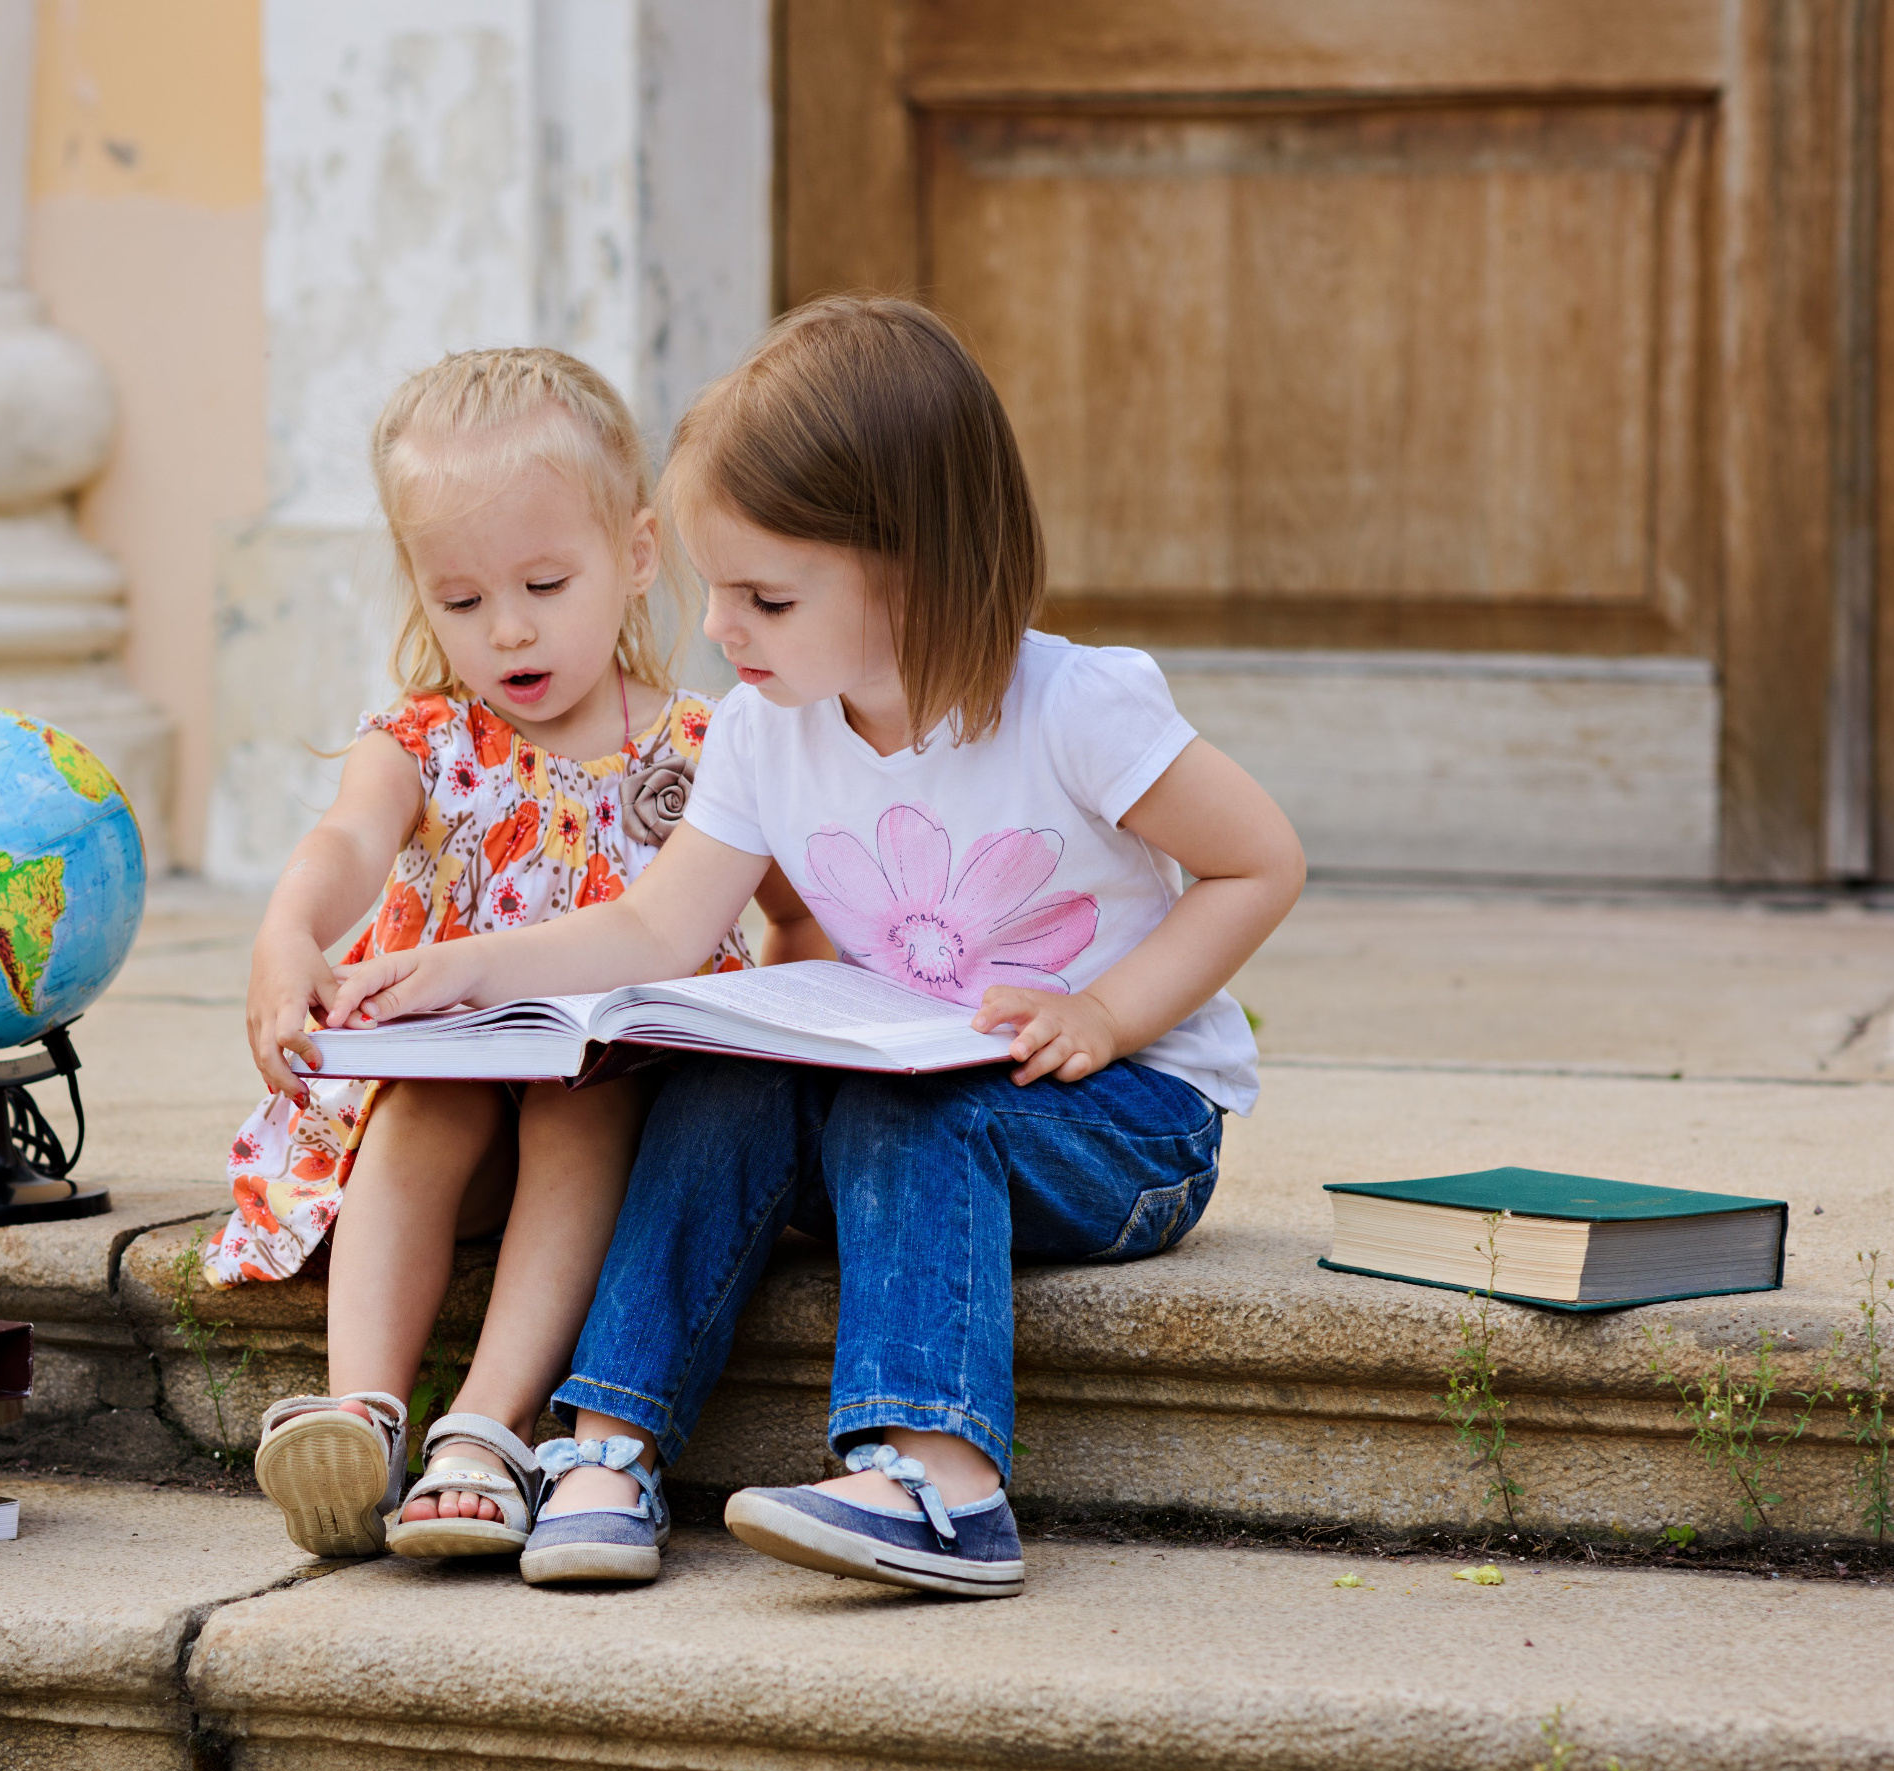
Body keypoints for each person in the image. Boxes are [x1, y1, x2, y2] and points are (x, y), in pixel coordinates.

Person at [327, 296, 1306, 1598]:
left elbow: (1260, 861)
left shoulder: (1074, 708)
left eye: (766, 595)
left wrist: (1115, 1012)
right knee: (713, 1072)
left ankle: (942, 1480)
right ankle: (605, 1442)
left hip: (1120, 1120)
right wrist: (469, 967)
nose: (721, 628)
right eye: (714, 587)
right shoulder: (761, 728)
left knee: (927, 1113)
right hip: (894, 1085)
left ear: (911, 565)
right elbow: (660, 925)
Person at [202, 346, 824, 1569]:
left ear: (639, 556)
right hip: (445, 1110)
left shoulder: (711, 746)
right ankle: (362, 1412)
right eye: (462, 598)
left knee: (577, 1107)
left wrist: (772, 1006)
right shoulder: (426, 737)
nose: (510, 629)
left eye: (546, 580)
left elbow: (802, 917)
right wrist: (287, 936)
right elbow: (345, 843)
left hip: (615, 1121)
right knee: (429, 1101)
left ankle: (485, 1428)